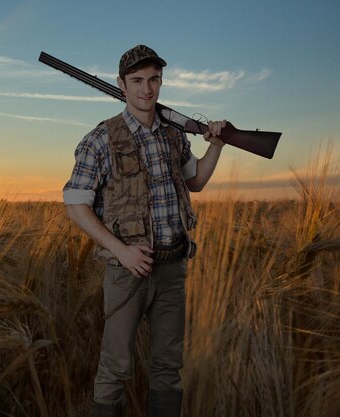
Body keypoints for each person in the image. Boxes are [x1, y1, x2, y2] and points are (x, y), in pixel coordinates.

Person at [63, 45, 226, 417]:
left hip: (172, 268)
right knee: (115, 368)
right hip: (128, 271)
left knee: (168, 369)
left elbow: (196, 181)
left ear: (161, 82)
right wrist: (120, 250)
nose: (146, 89)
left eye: (154, 80)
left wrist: (216, 145)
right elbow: (75, 204)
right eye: (137, 81)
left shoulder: (173, 136)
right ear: (122, 85)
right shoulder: (101, 138)